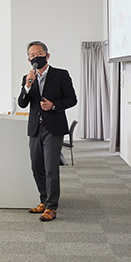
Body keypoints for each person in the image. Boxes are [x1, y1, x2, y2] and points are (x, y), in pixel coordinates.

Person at [18, 40, 78, 222]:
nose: (35, 57)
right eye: (32, 55)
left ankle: (52, 207)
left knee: (51, 168)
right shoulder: (28, 78)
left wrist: (54, 106)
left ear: (47, 55)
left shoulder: (61, 75)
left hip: (54, 129)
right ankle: (44, 200)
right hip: (35, 129)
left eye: (38, 53)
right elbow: (22, 103)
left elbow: (72, 99)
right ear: (28, 59)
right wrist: (28, 85)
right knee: (36, 168)